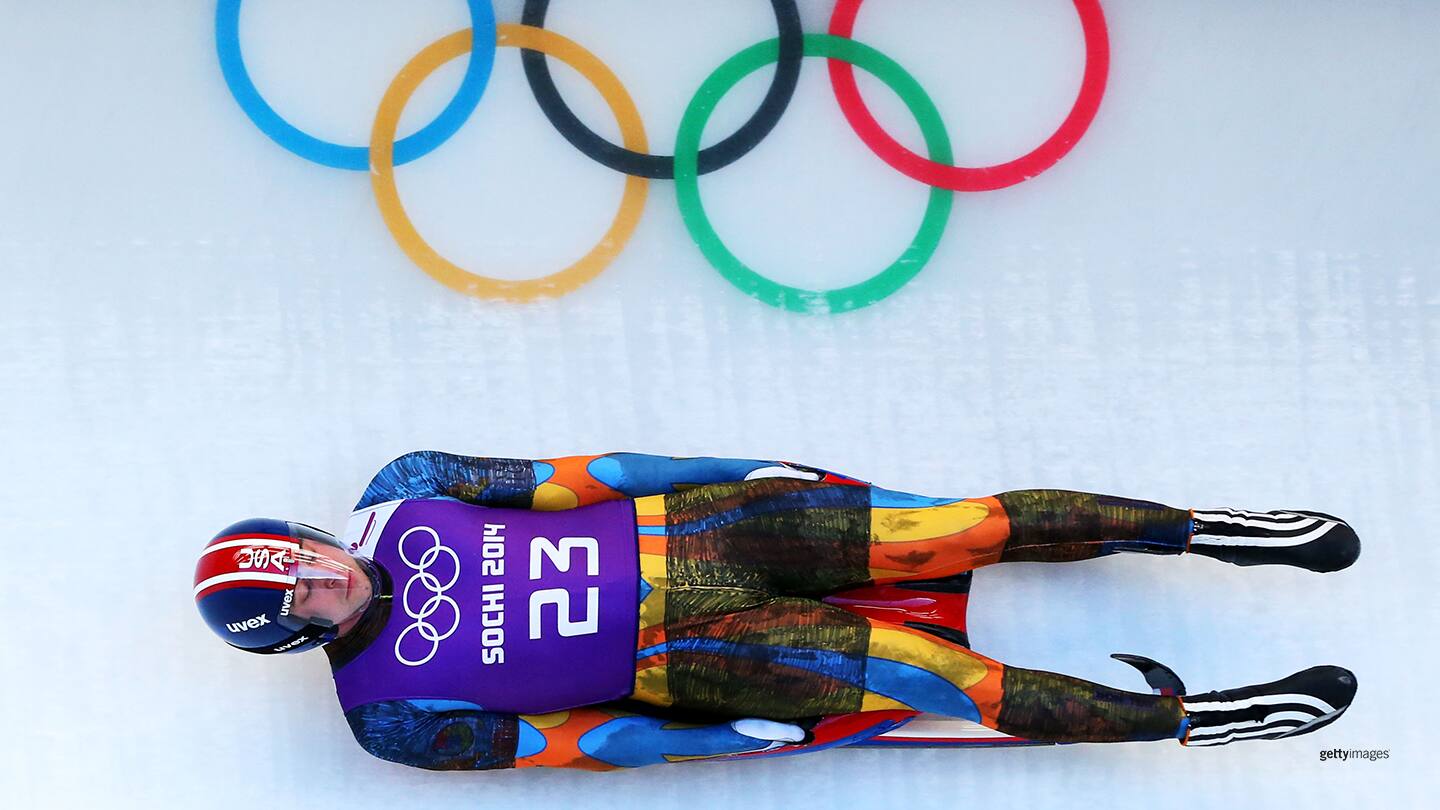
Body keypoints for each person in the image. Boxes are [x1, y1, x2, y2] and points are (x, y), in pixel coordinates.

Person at [193, 451, 1360, 771]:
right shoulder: (385, 714)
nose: (316, 572)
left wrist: (728, 469)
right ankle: (1196, 721)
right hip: (697, 650)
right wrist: (708, 737)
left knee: (962, 524)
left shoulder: (403, 493)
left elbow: (584, 477)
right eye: (294, 591)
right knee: (949, 686)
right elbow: (573, 746)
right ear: (292, 630)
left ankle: (1209, 530)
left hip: (698, 532)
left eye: (295, 551)